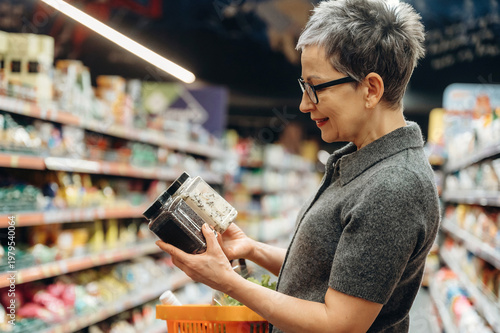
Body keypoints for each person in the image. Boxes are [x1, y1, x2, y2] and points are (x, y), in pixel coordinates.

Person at [155, 0, 440, 332]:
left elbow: (339, 324)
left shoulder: (394, 186)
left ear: (371, 89)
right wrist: (252, 248)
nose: (305, 104)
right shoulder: (364, 163)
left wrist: (228, 282)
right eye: (303, 86)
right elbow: (328, 275)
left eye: (315, 87)